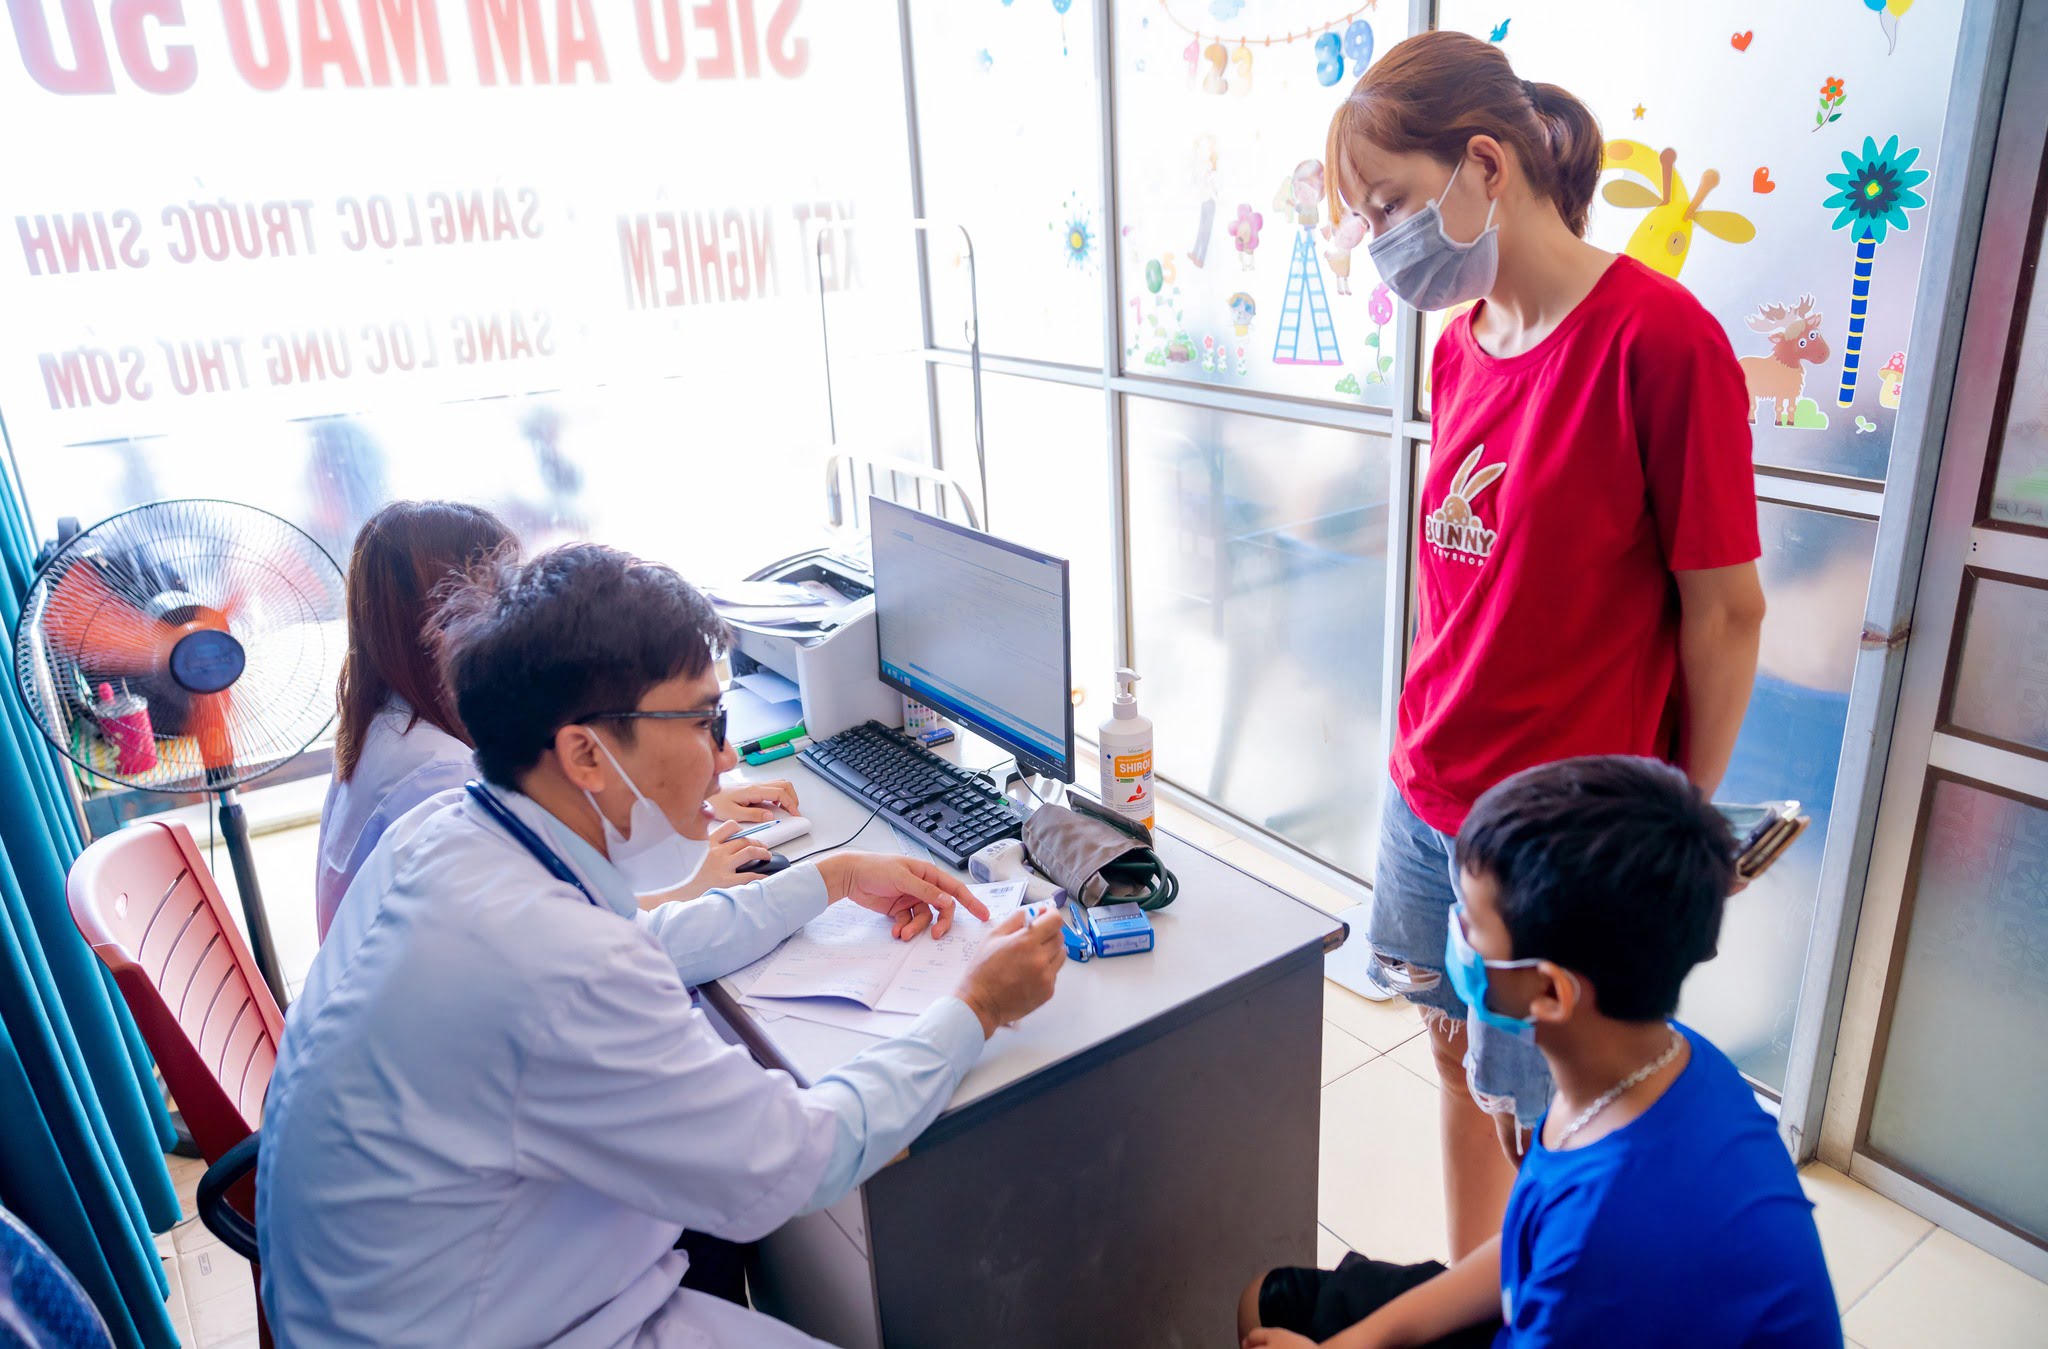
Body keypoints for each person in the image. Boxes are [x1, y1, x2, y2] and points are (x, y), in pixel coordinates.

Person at [259, 543, 1068, 1346]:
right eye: (705, 723)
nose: (726, 758)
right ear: (585, 752)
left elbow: (642, 938)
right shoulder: (558, 964)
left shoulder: (446, 832)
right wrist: (978, 1005)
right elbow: (797, 1158)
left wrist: (829, 877)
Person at [1324, 31, 1767, 1253]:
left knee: (1548, 1116)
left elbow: (1724, 612)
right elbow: (1460, 584)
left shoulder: (1658, 342)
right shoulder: (1458, 346)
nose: (1381, 242)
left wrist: (1677, 818)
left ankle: (1535, 1304)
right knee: (1451, 1048)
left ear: (1483, 165)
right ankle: (1476, 1293)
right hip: (1426, 786)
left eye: (1389, 205)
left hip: (1553, 839)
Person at [1240, 757, 1840, 1348]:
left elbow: (1568, 1252)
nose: (1455, 934)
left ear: (1550, 992)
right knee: (1272, 1301)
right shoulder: (1660, 1062)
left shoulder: (1605, 1234)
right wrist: (1364, 1339)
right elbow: (1526, 1245)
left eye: (1472, 925)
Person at [317, 500, 793, 942]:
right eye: (497, 592)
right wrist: (687, 880)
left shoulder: (385, 723)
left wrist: (670, 801)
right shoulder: (439, 771)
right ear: (444, 621)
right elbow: (569, 924)